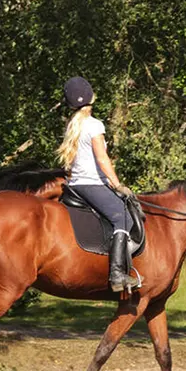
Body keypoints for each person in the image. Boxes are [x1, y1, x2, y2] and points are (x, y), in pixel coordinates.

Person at [57, 76, 139, 292]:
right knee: (122, 215)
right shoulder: (94, 125)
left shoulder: (72, 126)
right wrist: (117, 184)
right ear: (91, 98)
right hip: (92, 184)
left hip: (75, 185)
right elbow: (102, 159)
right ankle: (117, 274)